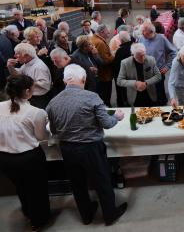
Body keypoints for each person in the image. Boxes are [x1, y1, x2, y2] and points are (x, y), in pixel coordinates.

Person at [47, 64, 127, 226]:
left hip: (67, 149)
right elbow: (107, 123)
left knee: (77, 183)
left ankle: (86, 215)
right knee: (102, 181)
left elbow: (54, 130)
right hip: (90, 148)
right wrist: (117, 117)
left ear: (65, 81)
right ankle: (110, 215)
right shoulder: (91, 97)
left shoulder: (53, 102)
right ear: (83, 79)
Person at [0, 75, 51, 230]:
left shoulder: (0, 106)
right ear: (28, 91)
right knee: (37, 190)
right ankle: (38, 221)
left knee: (21, 186)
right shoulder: (36, 112)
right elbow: (42, 137)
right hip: (28, 158)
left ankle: (27, 211)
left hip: (4, 158)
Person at [138, 21, 177, 106]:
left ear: (152, 32)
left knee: (160, 98)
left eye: (145, 33)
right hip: (144, 73)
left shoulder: (161, 38)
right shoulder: (141, 38)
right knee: (148, 98)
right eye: (142, 33)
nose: (143, 35)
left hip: (158, 72)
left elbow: (174, 52)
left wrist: (167, 66)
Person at [7, 43, 51, 109]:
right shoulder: (27, 63)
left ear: (26, 55)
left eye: (17, 54)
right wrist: (10, 67)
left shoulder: (39, 67)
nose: (14, 55)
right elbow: (17, 75)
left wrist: (26, 81)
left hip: (38, 100)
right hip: (30, 96)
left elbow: (46, 84)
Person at [90, 24, 114, 106]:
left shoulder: (93, 38)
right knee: (105, 98)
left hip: (99, 75)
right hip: (104, 76)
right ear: (102, 32)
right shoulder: (100, 43)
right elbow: (105, 60)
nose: (109, 34)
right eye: (107, 33)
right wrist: (113, 55)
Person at [112, 31, 132, 107]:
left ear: (121, 40)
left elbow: (116, 66)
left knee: (123, 95)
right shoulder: (132, 47)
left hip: (122, 76)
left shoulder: (120, 50)